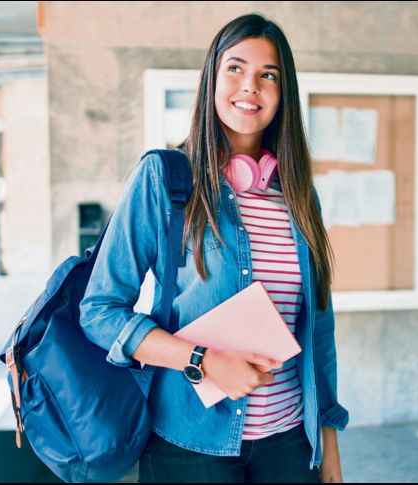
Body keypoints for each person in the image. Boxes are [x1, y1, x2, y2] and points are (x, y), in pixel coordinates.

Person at [79, 13, 348, 483]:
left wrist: (329, 450)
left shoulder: (300, 196)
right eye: (236, 69)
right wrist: (204, 360)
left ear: (283, 95)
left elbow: (318, 332)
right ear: (212, 79)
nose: (251, 86)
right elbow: (100, 310)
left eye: (269, 76)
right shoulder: (165, 179)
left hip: (288, 445)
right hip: (189, 445)